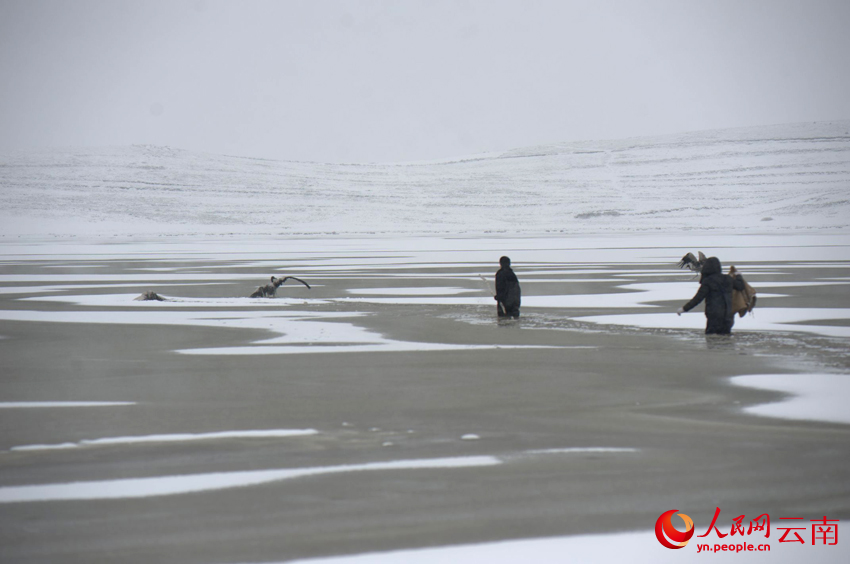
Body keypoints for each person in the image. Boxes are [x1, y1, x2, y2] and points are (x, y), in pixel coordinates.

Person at [677, 256, 746, 335]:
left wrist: (684, 309)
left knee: (711, 339)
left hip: (714, 316)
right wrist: (738, 276)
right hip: (728, 315)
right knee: (726, 338)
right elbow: (740, 286)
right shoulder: (728, 279)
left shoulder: (708, 281)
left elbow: (697, 299)